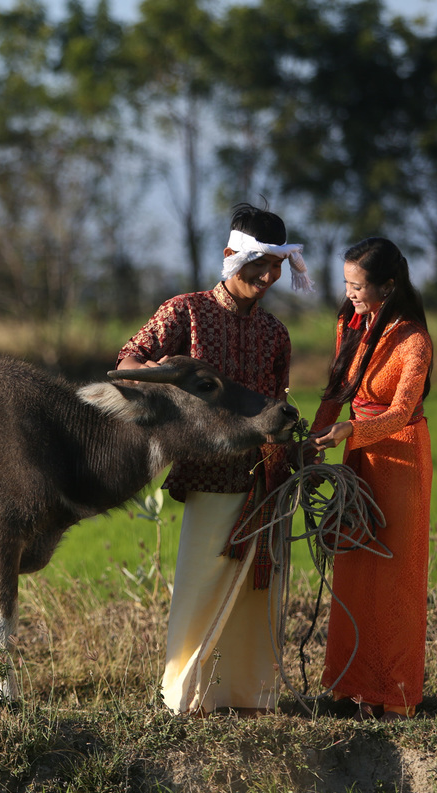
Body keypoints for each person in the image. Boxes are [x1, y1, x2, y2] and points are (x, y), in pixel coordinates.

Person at [116, 201, 313, 716]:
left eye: (276, 267)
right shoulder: (185, 312)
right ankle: (187, 699)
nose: (269, 277)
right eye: (259, 265)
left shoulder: (276, 334)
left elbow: (277, 404)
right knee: (199, 589)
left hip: (265, 483)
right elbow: (127, 361)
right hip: (208, 477)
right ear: (231, 257)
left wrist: (298, 454)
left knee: (257, 598)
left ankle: (250, 698)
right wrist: (156, 371)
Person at [310, 236, 434, 721]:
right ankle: (349, 689)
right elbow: (339, 386)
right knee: (355, 570)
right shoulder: (351, 322)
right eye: (345, 283)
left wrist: (350, 431)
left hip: (400, 460)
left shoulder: (414, 340)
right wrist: (316, 437)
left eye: (358, 285)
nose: (350, 293)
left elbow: (403, 412)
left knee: (396, 578)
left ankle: (396, 695)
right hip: (357, 455)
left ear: (388, 285)